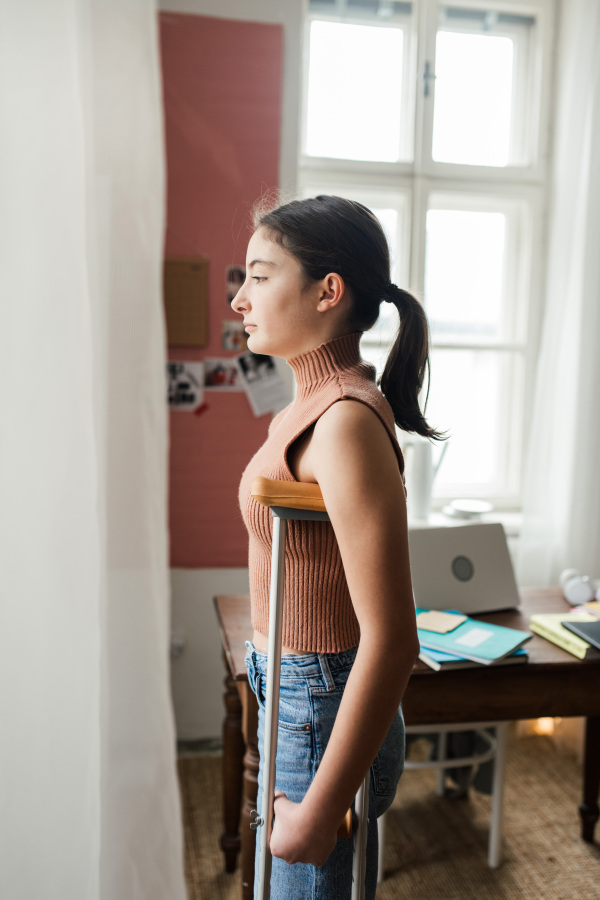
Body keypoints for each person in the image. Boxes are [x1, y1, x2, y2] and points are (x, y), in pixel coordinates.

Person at [231, 195, 441, 899]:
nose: (240, 299)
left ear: (328, 292)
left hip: (317, 703)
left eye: (260, 277)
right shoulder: (308, 407)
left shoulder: (344, 421)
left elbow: (394, 638)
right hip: (291, 687)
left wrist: (321, 809)